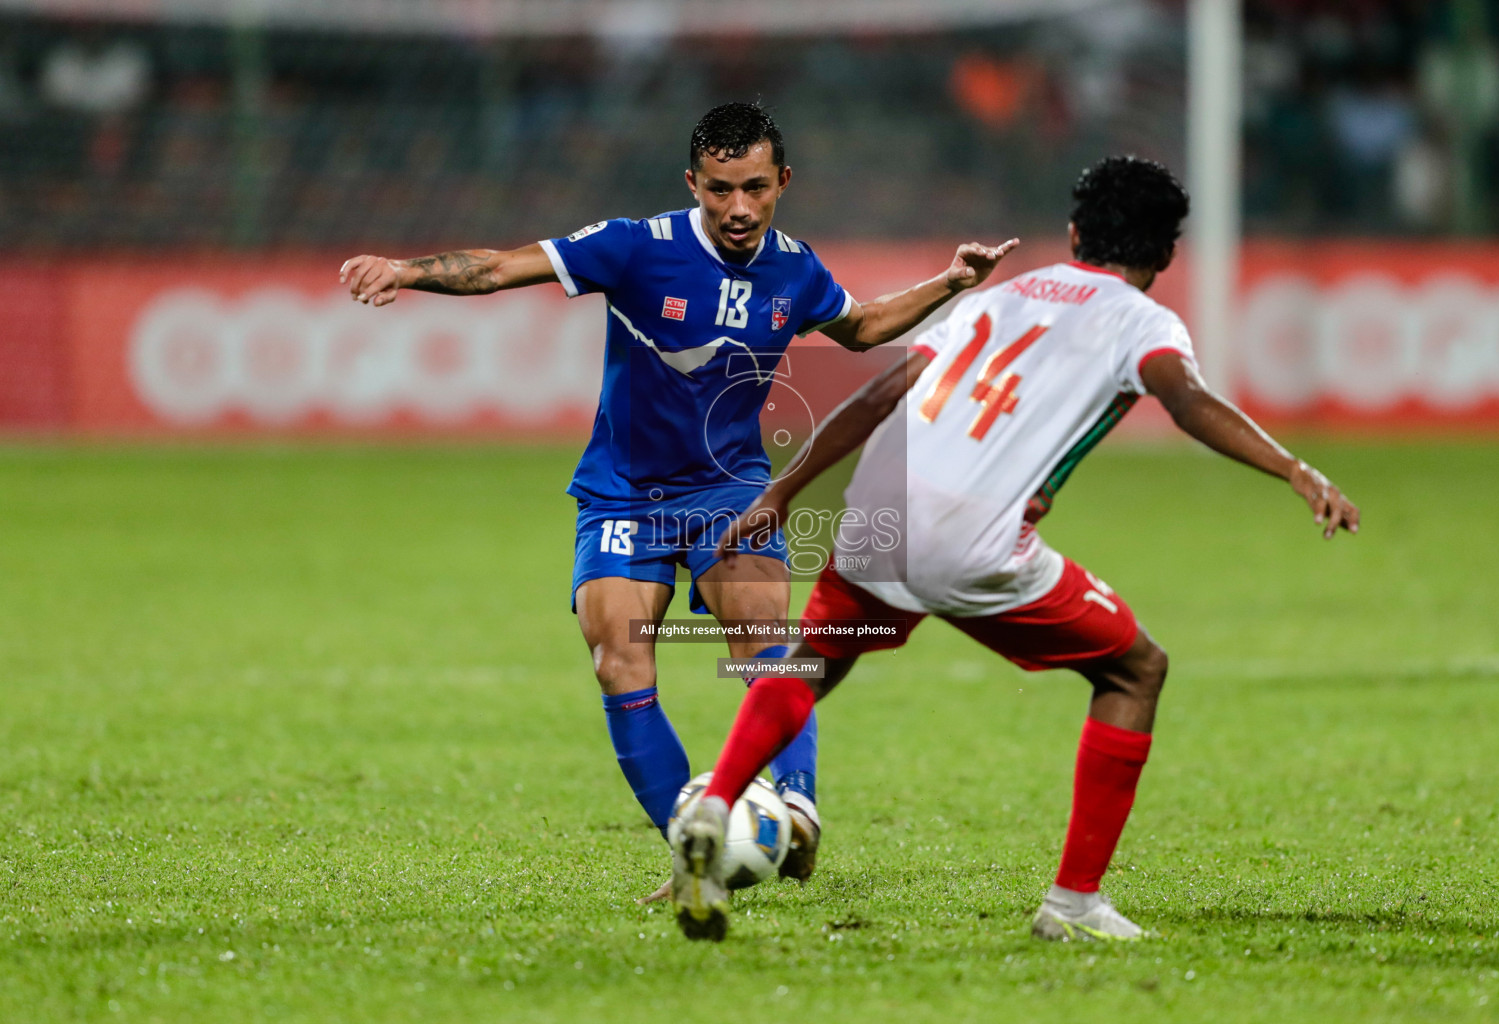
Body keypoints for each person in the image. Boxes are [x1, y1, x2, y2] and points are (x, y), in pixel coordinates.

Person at [669, 154, 1360, 942]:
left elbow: (879, 392)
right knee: (1136, 668)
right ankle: (1072, 905)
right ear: (1166, 255)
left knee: (810, 665)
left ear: (1073, 233)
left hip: (878, 511)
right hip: (973, 538)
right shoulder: (1145, 324)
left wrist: (782, 492)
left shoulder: (998, 299)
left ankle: (718, 801)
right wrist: (1295, 469)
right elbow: (1188, 400)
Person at [339, 102, 1018, 895]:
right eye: (720, 189)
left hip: (730, 488)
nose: (738, 208)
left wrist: (952, 282)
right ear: (692, 182)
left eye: (755, 189)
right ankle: (699, 851)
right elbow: (496, 268)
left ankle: (795, 810)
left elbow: (862, 328)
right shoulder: (634, 247)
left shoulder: (795, 269)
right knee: (617, 660)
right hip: (623, 493)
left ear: (782, 183)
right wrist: (406, 270)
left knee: (766, 644)